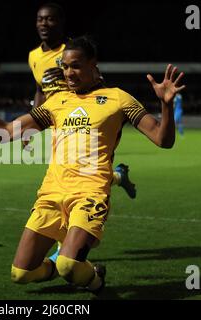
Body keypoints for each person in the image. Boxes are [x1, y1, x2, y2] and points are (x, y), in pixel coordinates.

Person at [0, 36, 185, 295]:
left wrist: (166, 104)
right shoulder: (57, 102)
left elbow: (163, 139)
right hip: (52, 194)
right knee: (21, 274)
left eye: (76, 66)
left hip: (90, 193)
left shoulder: (118, 99)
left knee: (68, 265)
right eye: (65, 66)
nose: (69, 73)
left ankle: (95, 280)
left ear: (93, 64)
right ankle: (78, 271)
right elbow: (4, 133)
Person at [29, 3, 135, 262]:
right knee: (67, 177)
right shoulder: (34, 56)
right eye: (41, 19)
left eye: (51, 19)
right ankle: (119, 175)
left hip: (82, 121)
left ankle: (63, 254)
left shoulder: (72, 51)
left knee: (84, 176)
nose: (45, 24)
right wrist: (32, 123)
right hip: (56, 118)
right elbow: (40, 90)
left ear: (61, 23)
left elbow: (97, 85)